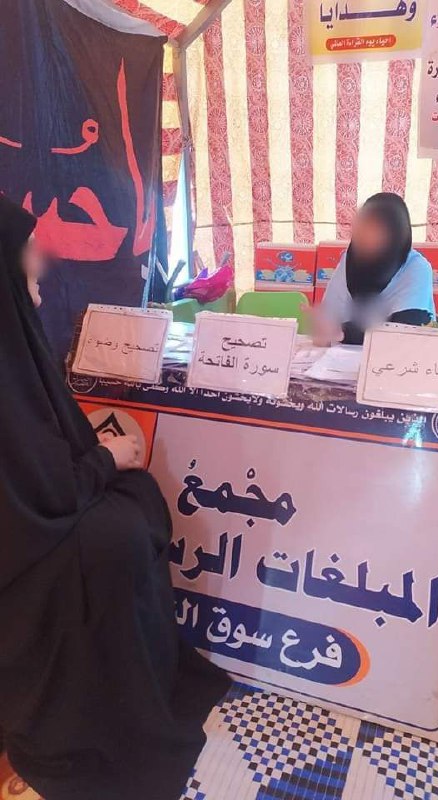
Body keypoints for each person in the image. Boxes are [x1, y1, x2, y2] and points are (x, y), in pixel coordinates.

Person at [0, 195, 230, 800]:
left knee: (133, 504)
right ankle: (117, 709)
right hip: (24, 561)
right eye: (28, 253)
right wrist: (108, 458)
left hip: (30, 533)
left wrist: (96, 455)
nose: (41, 267)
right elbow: (36, 497)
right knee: (127, 525)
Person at [311, 193, 435, 346]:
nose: (363, 234)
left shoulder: (416, 269)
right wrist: (323, 328)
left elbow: (404, 331)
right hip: (345, 357)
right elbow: (330, 318)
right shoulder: (349, 261)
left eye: (374, 228)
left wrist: (343, 333)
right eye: (361, 225)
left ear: (396, 232)